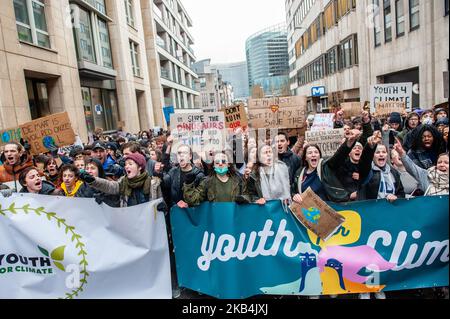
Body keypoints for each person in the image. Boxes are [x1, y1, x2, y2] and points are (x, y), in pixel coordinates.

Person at [79, 152, 162, 207]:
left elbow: (161, 203)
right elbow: (109, 186)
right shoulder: (123, 182)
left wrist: (162, 208)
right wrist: (93, 180)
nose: (127, 166)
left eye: (130, 164)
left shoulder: (153, 184)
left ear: (140, 167)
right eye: (125, 164)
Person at [357, 131, 405, 202]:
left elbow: (401, 193)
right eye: (377, 152)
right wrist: (369, 147)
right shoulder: (367, 171)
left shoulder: (393, 172)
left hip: (391, 209)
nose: (381, 154)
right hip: (372, 210)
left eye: (384, 152)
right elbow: (364, 161)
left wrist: (396, 197)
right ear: (372, 156)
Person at [155, 144, 205, 208]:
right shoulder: (173, 172)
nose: (181, 155)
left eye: (184, 153)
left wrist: (189, 205)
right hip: (177, 213)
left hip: (193, 214)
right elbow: (164, 184)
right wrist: (158, 173)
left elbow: (201, 198)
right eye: (179, 153)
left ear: (190, 156)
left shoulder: (199, 175)